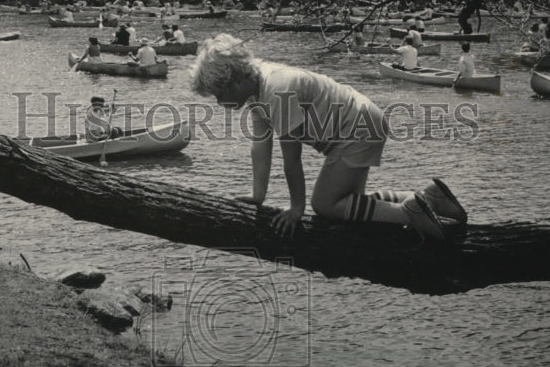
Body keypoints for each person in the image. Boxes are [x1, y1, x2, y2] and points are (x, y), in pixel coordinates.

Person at [189, 34, 463, 241]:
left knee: (324, 204)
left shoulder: (277, 90)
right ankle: (430, 197)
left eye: (218, 94)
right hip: (362, 121)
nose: (218, 102)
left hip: (356, 128)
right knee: (349, 204)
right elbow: (260, 144)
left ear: (234, 81)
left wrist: (297, 209)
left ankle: (410, 213)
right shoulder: (257, 85)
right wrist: (258, 195)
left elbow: (291, 160)